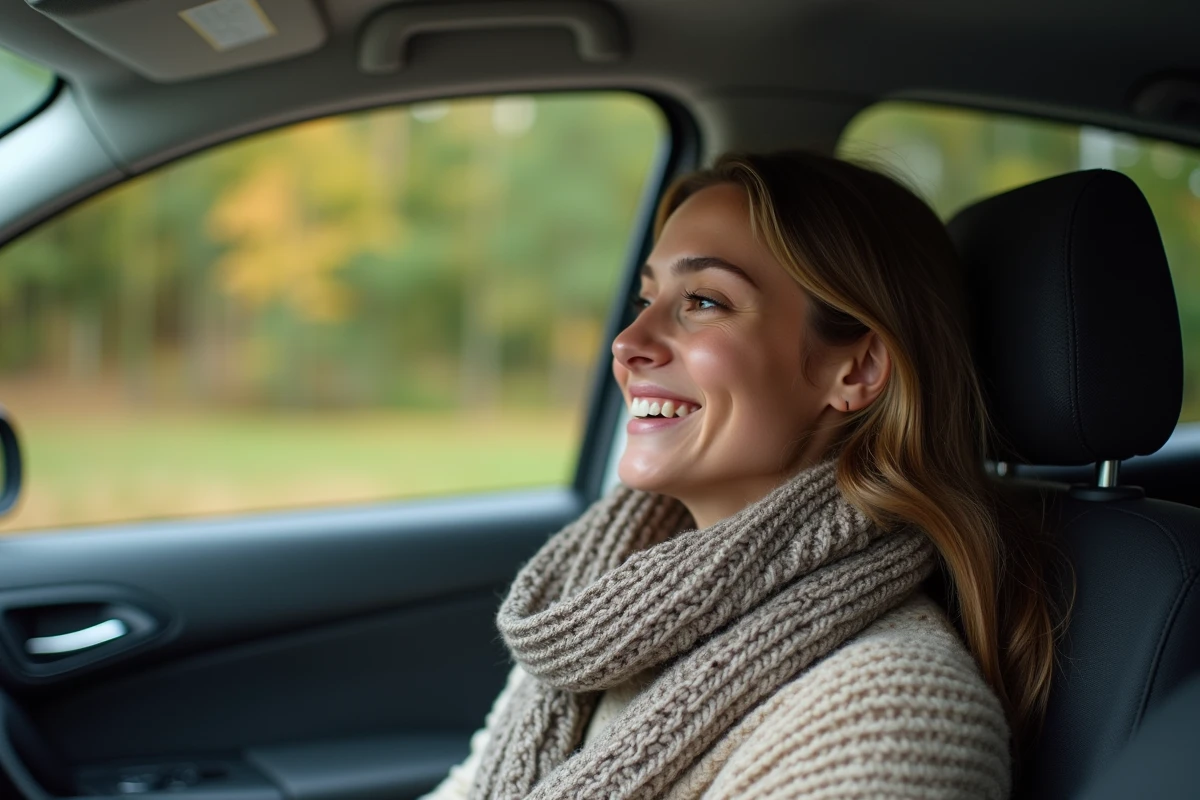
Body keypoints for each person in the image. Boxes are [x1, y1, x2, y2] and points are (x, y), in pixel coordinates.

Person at [421, 151, 1059, 800]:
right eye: (648, 298)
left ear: (857, 370)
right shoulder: (597, 606)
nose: (628, 340)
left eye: (702, 300)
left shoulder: (887, 715)